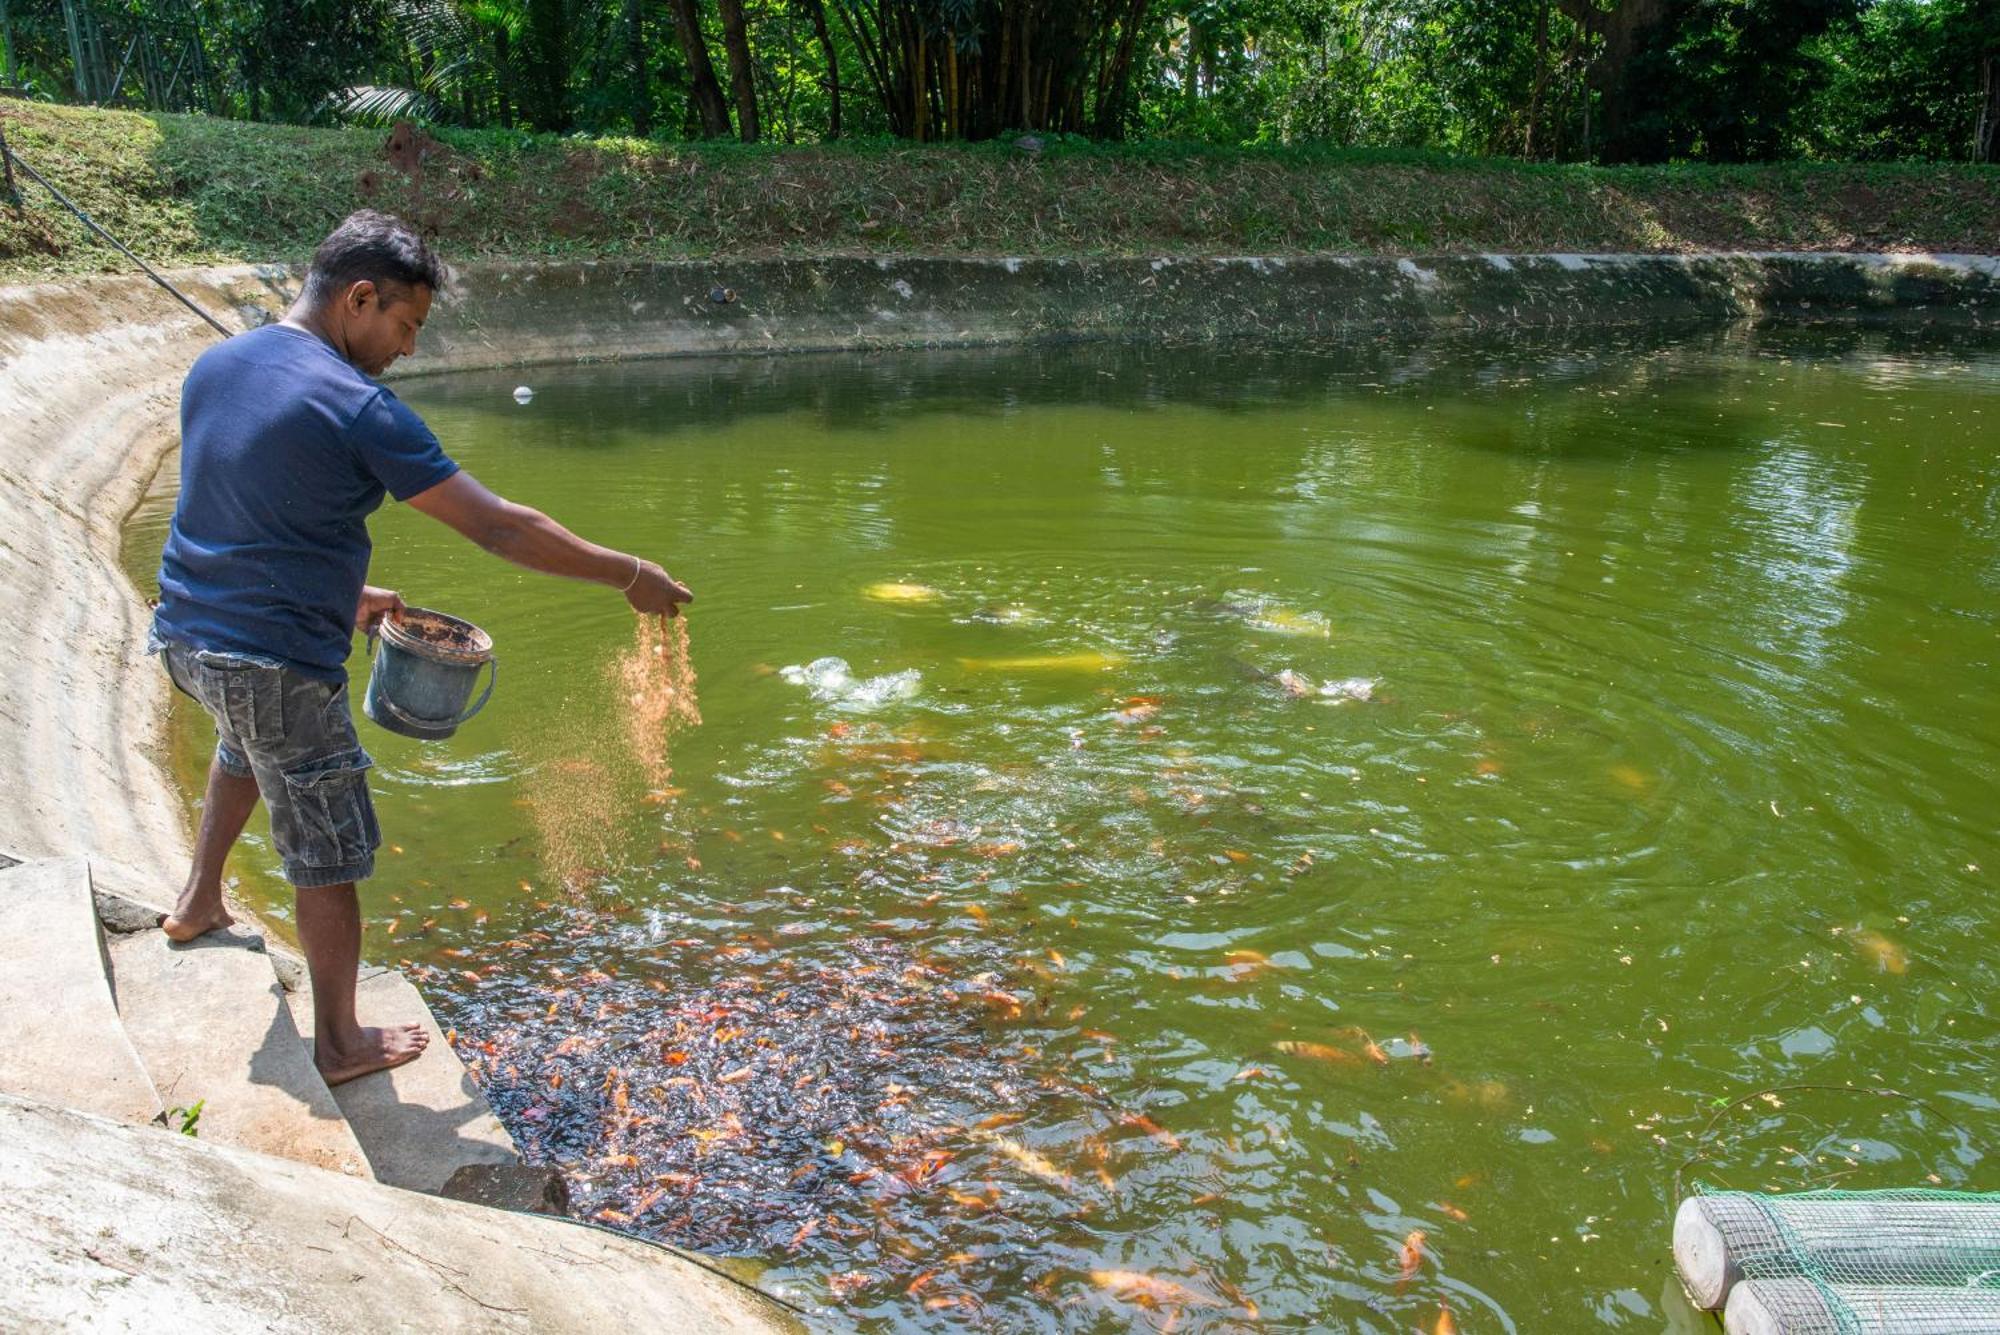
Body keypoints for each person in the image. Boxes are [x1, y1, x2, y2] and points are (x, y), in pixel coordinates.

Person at [149, 209, 691, 1085]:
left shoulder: (218, 363)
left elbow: (236, 507)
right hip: (269, 657)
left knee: (243, 742)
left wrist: (345, 595)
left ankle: (198, 900)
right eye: (405, 326)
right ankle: (340, 1041)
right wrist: (629, 574)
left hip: (182, 635)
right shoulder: (363, 408)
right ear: (358, 298)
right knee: (327, 838)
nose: (407, 350)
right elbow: (501, 528)